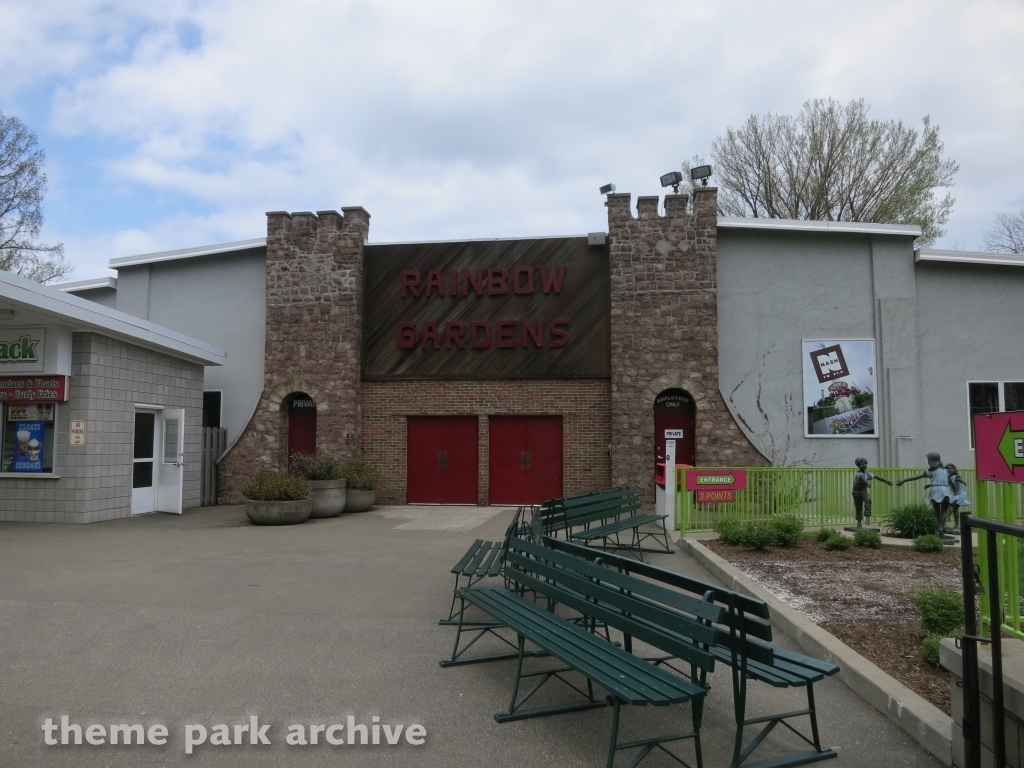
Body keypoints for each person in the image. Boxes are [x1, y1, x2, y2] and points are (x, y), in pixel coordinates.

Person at [896, 452, 952, 532]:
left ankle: (940, 526)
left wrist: (904, 480)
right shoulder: (946, 471)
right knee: (944, 510)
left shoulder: (930, 471)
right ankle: (941, 527)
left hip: (935, 490)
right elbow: (949, 482)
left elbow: (916, 477)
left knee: (937, 510)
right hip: (945, 491)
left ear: (930, 461)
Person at [851, 457, 892, 528]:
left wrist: (886, 481)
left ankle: (867, 516)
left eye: (865, 464)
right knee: (858, 506)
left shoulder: (867, 473)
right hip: (856, 492)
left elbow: (877, 477)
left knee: (868, 500)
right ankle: (859, 522)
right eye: (861, 464)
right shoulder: (858, 474)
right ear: (858, 466)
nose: (863, 466)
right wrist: (867, 483)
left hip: (863, 491)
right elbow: (862, 479)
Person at [946, 463, 970, 535]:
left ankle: (947, 517)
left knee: (951, 504)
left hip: (960, 494)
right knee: (955, 509)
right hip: (956, 494)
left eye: (951, 468)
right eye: (948, 469)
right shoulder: (948, 478)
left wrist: (962, 481)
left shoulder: (955, 476)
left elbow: (958, 479)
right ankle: (956, 523)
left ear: (954, 470)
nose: (949, 470)